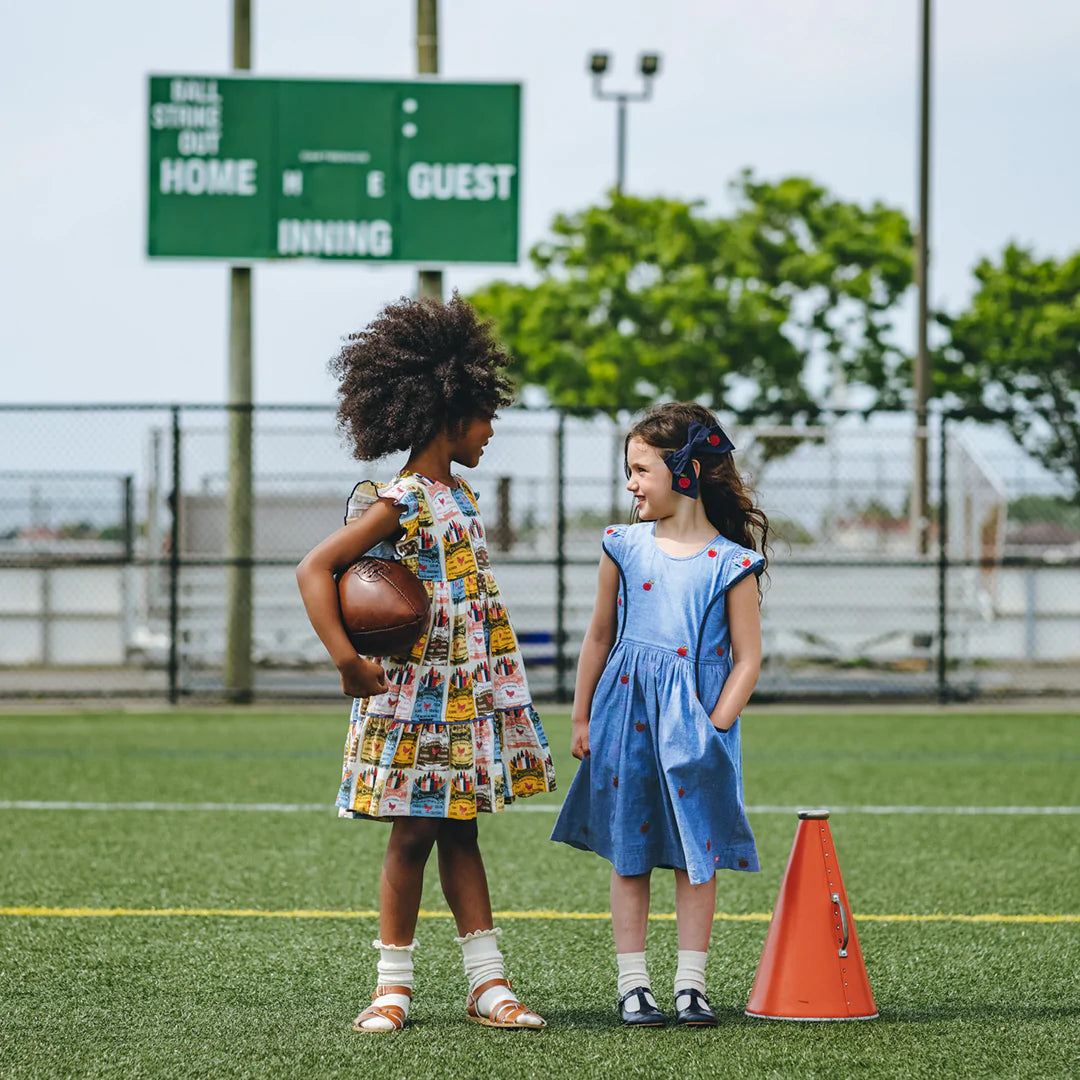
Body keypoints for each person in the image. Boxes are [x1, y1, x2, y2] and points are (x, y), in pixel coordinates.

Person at [296, 294, 555, 1033]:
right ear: (449, 411)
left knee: (462, 828)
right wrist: (347, 662)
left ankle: (488, 984)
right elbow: (315, 569)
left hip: (466, 695)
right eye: (485, 413)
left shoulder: (460, 493)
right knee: (410, 834)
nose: (493, 427)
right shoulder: (402, 498)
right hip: (412, 699)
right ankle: (392, 987)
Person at [550, 401, 769, 1028]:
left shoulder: (732, 563)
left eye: (641, 469)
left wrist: (717, 724)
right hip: (625, 714)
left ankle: (691, 985)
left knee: (694, 853)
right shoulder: (622, 546)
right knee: (631, 850)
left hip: (696, 723)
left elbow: (748, 659)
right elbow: (598, 637)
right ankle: (633, 986)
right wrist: (581, 716)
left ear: (687, 472)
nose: (631, 484)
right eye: (628, 470)